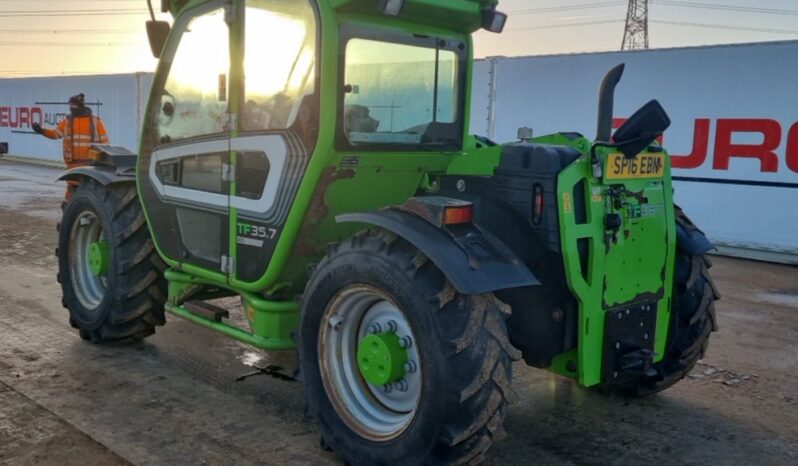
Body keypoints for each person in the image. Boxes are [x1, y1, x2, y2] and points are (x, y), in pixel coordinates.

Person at [32, 93, 109, 200]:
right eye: (70, 106)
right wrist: (41, 131)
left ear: (80, 106)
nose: (71, 108)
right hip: (72, 163)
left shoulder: (95, 121)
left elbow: (105, 142)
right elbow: (56, 134)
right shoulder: (68, 121)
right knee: (72, 187)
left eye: (73, 106)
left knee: (87, 189)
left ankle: (77, 209)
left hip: (89, 163)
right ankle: (68, 209)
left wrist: (102, 159)